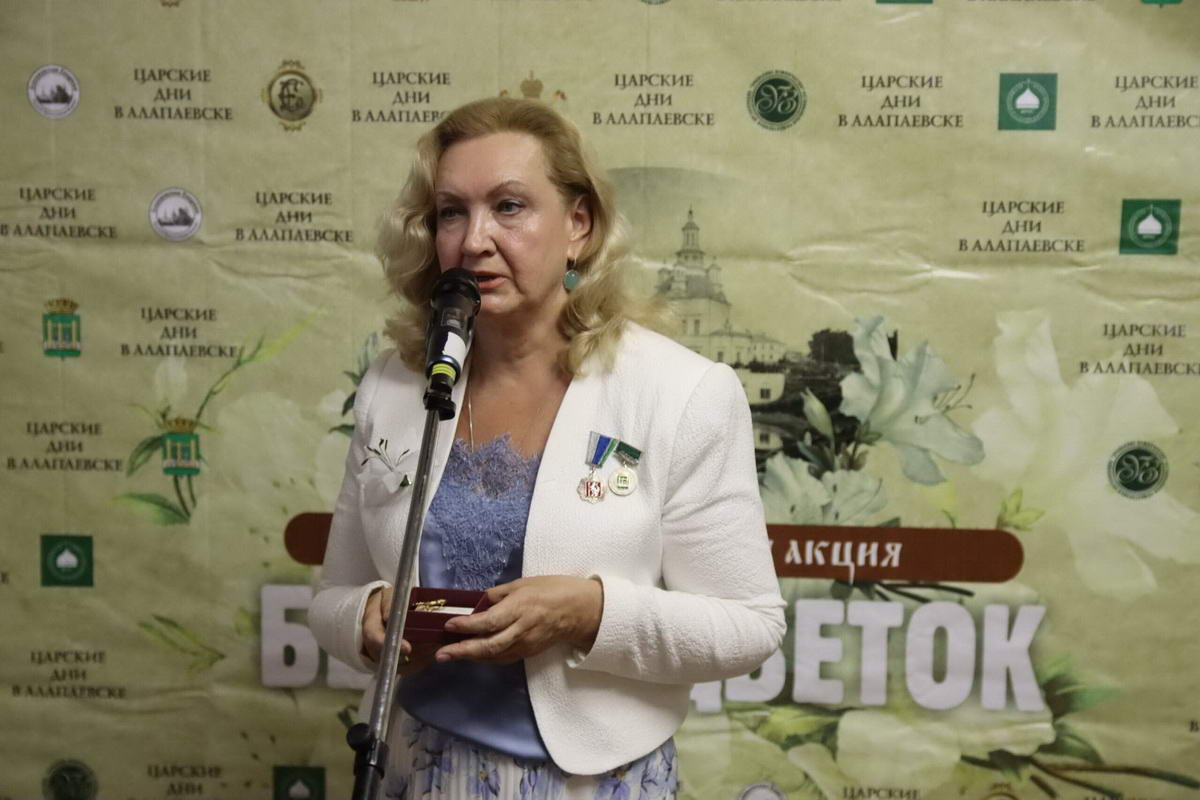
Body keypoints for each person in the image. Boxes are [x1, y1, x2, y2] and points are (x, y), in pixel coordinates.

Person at [308, 96, 785, 800]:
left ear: (579, 226)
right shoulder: (396, 383)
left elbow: (749, 626)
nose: (474, 240)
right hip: (414, 764)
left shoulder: (681, 391)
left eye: (509, 207)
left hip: (594, 780)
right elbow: (331, 600)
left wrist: (591, 612)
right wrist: (365, 618)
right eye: (451, 212)